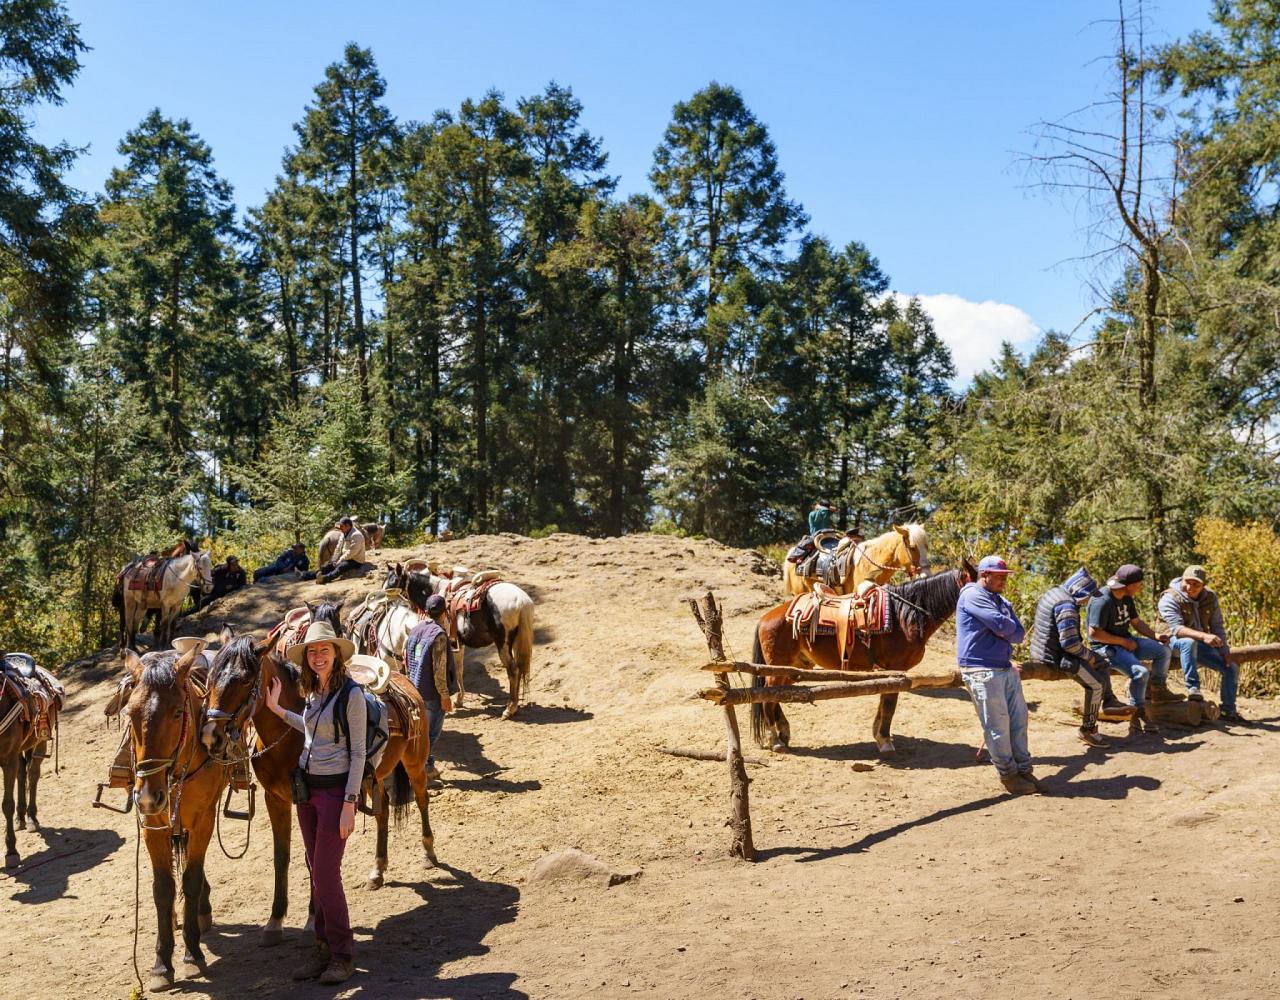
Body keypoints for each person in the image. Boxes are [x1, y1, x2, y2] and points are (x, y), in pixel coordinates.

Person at [264, 620, 363, 986]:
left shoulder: (350, 696)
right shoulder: (314, 695)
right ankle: (323, 947)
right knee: (314, 869)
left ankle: (343, 954)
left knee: (325, 874)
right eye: (312, 651)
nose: (318, 656)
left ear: (336, 654)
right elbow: (309, 729)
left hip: (337, 794)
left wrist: (350, 802)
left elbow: (359, 753)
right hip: (307, 793)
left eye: (324, 650)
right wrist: (276, 711)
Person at [956, 556, 1040, 794]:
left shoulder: (998, 599)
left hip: (1002, 666)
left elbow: (1019, 634)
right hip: (982, 669)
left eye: (1004, 576)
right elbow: (1004, 627)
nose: (1004, 580)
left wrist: (1005, 628)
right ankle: (1009, 775)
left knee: (1018, 720)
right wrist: (1005, 628)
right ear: (984, 575)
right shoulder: (973, 595)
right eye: (999, 576)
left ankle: (1023, 769)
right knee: (997, 724)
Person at [1030, 567, 1127, 748]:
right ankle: (1088, 730)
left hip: (1043, 650)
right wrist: (1088, 656)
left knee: (1102, 663)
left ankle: (1109, 701)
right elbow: (1070, 644)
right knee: (1095, 685)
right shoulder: (1066, 606)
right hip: (1055, 657)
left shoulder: (1056, 593)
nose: (1088, 599)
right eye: (1088, 595)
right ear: (1080, 591)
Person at [1086, 564, 1171, 736]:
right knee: (1140, 673)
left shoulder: (1126, 596)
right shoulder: (1102, 600)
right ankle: (1137, 715)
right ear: (1130, 585)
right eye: (1139, 584)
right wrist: (1123, 642)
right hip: (1105, 647)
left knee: (1163, 651)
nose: (1140, 588)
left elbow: (1136, 622)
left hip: (1126, 641)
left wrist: (1155, 636)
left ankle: (1158, 689)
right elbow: (1094, 634)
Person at [1158, 565, 1244, 723]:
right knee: (1188, 643)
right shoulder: (1169, 597)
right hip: (1170, 642)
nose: (1190, 587)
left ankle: (1228, 711)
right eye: (1187, 582)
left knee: (1231, 668)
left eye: (1196, 584)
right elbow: (1177, 629)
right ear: (1182, 580)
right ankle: (1193, 688)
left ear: (1203, 585)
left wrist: (1225, 652)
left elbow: (1217, 626)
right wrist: (1204, 636)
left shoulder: (1210, 597)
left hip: (1199, 643)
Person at [403, 593, 454, 784]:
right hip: (432, 694)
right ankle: (424, 769)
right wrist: (445, 695)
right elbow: (439, 670)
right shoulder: (439, 635)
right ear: (444, 613)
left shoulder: (416, 629)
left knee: (420, 732)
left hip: (415, 688)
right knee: (430, 735)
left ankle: (427, 767)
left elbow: (406, 659)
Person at [315, 517, 366, 584]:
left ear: (347, 526)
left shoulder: (356, 535)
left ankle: (324, 579)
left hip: (356, 560)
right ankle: (308, 575)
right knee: (328, 566)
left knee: (341, 567)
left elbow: (351, 552)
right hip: (345, 557)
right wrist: (334, 560)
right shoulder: (343, 533)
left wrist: (340, 560)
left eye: (342, 526)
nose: (340, 528)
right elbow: (338, 548)